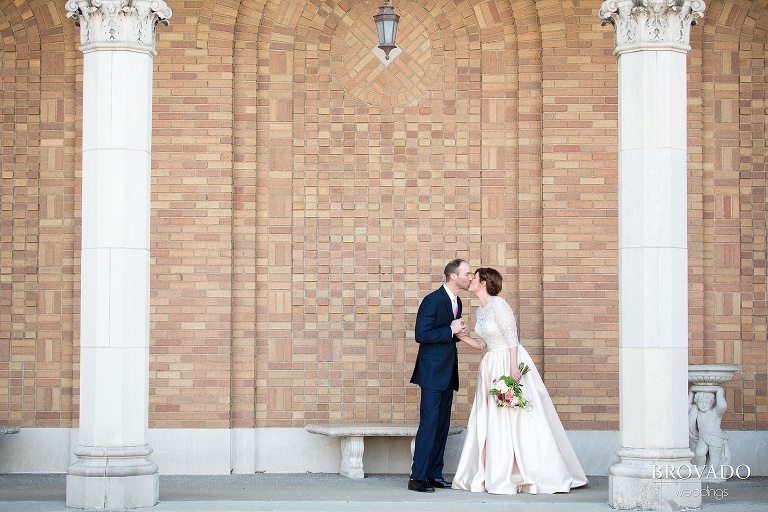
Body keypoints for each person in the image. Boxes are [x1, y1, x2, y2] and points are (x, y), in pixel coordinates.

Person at [451, 267, 588, 494]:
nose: (470, 280)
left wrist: (513, 367)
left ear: (484, 282)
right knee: (493, 417)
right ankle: (495, 470)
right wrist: (462, 337)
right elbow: (483, 345)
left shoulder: (499, 305)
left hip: (507, 360)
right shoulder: (481, 311)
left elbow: (512, 338)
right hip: (490, 365)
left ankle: (530, 471)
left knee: (514, 415)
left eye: (474, 277)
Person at [408, 258, 473, 493]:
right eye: (467, 273)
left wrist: (457, 333)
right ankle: (417, 478)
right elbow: (421, 334)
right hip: (432, 373)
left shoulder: (457, 301)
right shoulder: (432, 300)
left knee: (441, 425)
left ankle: (434, 474)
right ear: (453, 276)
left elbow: (445, 335)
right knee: (429, 425)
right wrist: (450, 330)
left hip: (447, 372)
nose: (470, 277)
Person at [689, 388, 731, 478]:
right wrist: (690, 394)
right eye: (701, 402)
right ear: (696, 402)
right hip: (702, 436)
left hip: (715, 437)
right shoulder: (697, 411)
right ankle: (701, 468)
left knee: (714, 456)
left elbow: (722, 406)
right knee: (699, 453)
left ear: (712, 402)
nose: (704, 405)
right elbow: (687, 407)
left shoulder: (715, 412)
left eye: (707, 402)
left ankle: (711, 473)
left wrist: (719, 392)